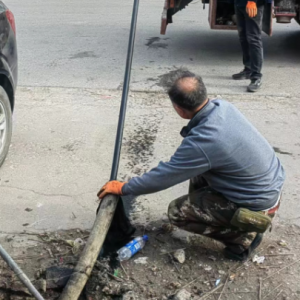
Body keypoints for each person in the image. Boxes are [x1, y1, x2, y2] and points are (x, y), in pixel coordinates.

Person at [98, 69, 285, 261]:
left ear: (178, 108)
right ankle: (216, 213)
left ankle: (242, 238)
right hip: (269, 186)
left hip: (256, 204)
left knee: (177, 212)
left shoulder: (203, 141)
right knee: (198, 172)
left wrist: (125, 188)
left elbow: (164, 176)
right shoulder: (223, 107)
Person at [232, 0, 267, 92]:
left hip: (253, 4)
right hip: (240, 3)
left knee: (253, 39)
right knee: (243, 37)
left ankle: (256, 77)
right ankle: (248, 69)